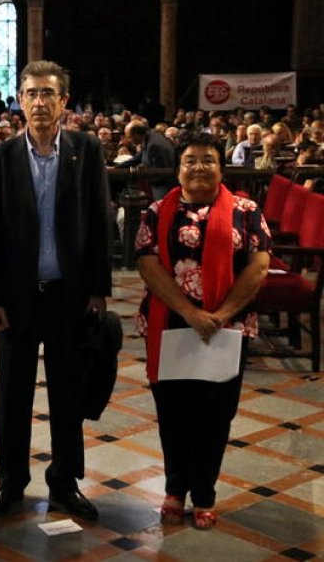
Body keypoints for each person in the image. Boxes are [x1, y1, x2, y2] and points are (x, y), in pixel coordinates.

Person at [0, 60, 112, 520]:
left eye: (48, 93)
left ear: (63, 101)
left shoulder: (86, 150)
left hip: (68, 295)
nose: (39, 101)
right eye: (31, 93)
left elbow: (99, 220)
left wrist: (98, 288)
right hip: (15, 299)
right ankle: (11, 482)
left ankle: (65, 482)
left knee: (67, 394)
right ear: (19, 100)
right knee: (12, 395)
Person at [135, 133, 270, 530]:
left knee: (215, 413)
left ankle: (205, 492)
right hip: (171, 324)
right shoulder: (158, 211)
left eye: (207, 160)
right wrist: (191, 313)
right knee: (173, 411)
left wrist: (221, 313)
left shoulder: (245, 211)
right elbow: (148, 265)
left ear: (221, 167)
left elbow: (258, 266)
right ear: (178, 169)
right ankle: (176, 489)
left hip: (227, 328)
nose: (198, 167)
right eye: (190, 160)